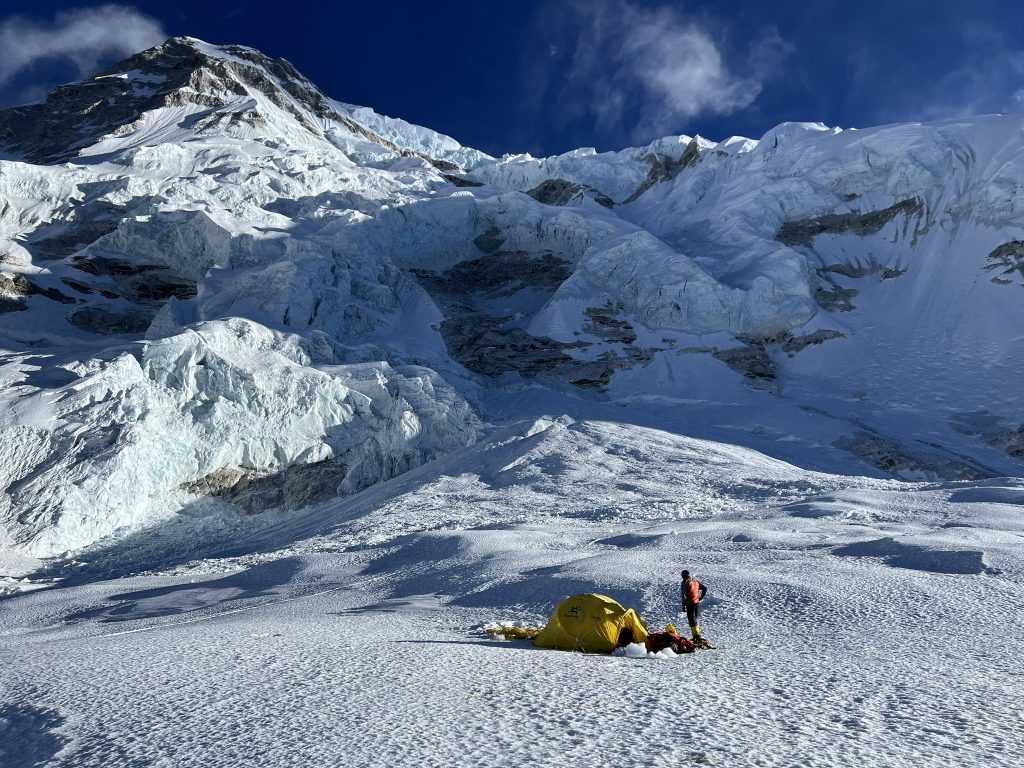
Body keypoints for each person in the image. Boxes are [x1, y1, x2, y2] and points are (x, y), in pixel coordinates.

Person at [680, 569, 708, 643]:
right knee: (695, 619)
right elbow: (705, 588)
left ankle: (696, 637)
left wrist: (683, 606)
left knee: (692, 620)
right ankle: (697, 635)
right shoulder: (695, 581)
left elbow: (683, 595)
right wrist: (700, 598)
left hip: (690, 603)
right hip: (696, 602)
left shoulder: (685, 582)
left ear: (683, 576)